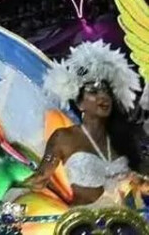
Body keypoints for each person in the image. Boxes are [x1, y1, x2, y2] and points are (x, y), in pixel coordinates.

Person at [22, 40, 148, 206]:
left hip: (127, 224)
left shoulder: (125, 138)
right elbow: (40, 178)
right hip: (84, 225)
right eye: (94, 92)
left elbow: (142, 180)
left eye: (107, 91)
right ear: (80, 103)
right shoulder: (63, 137)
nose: (103, 97)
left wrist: (139, 181)